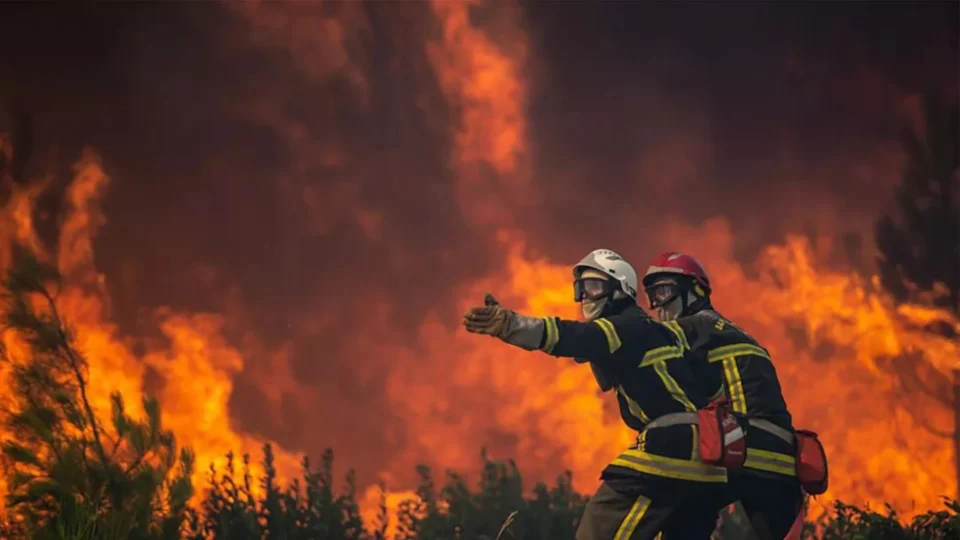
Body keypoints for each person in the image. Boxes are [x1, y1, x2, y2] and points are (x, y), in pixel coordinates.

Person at [462, 249, 728, 540]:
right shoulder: (658, 333)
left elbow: (572, 337)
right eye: (580, 289)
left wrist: (510, 325)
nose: (585, 297)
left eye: (594, 286)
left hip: (671, 449)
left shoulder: (626, 325)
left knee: (598, 527)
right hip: (707, 464)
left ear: (620, 290)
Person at [641, 252, 807, 540]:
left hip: (743, 446)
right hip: (781, 455)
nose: (657, 305)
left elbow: (644, 341)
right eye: (652, 296)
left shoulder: (694, 327)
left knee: (676, 514)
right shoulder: (734, 331)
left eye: (664, 291)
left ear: (693, 292)